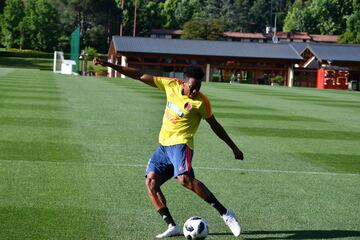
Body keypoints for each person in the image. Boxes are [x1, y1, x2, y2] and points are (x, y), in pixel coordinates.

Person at [93, 58, 244, 238]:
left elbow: (215, 125)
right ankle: (172, 226)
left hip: (181, 144)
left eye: (199, 87)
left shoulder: (202, 102)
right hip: (164, 146)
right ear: (184, 82)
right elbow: (139, 75)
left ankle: (226, 214)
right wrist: (109, 65)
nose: (195, 91)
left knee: (184, 180)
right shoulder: (170, 85)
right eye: (192, 87)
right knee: (151, 182)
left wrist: (233, 147)